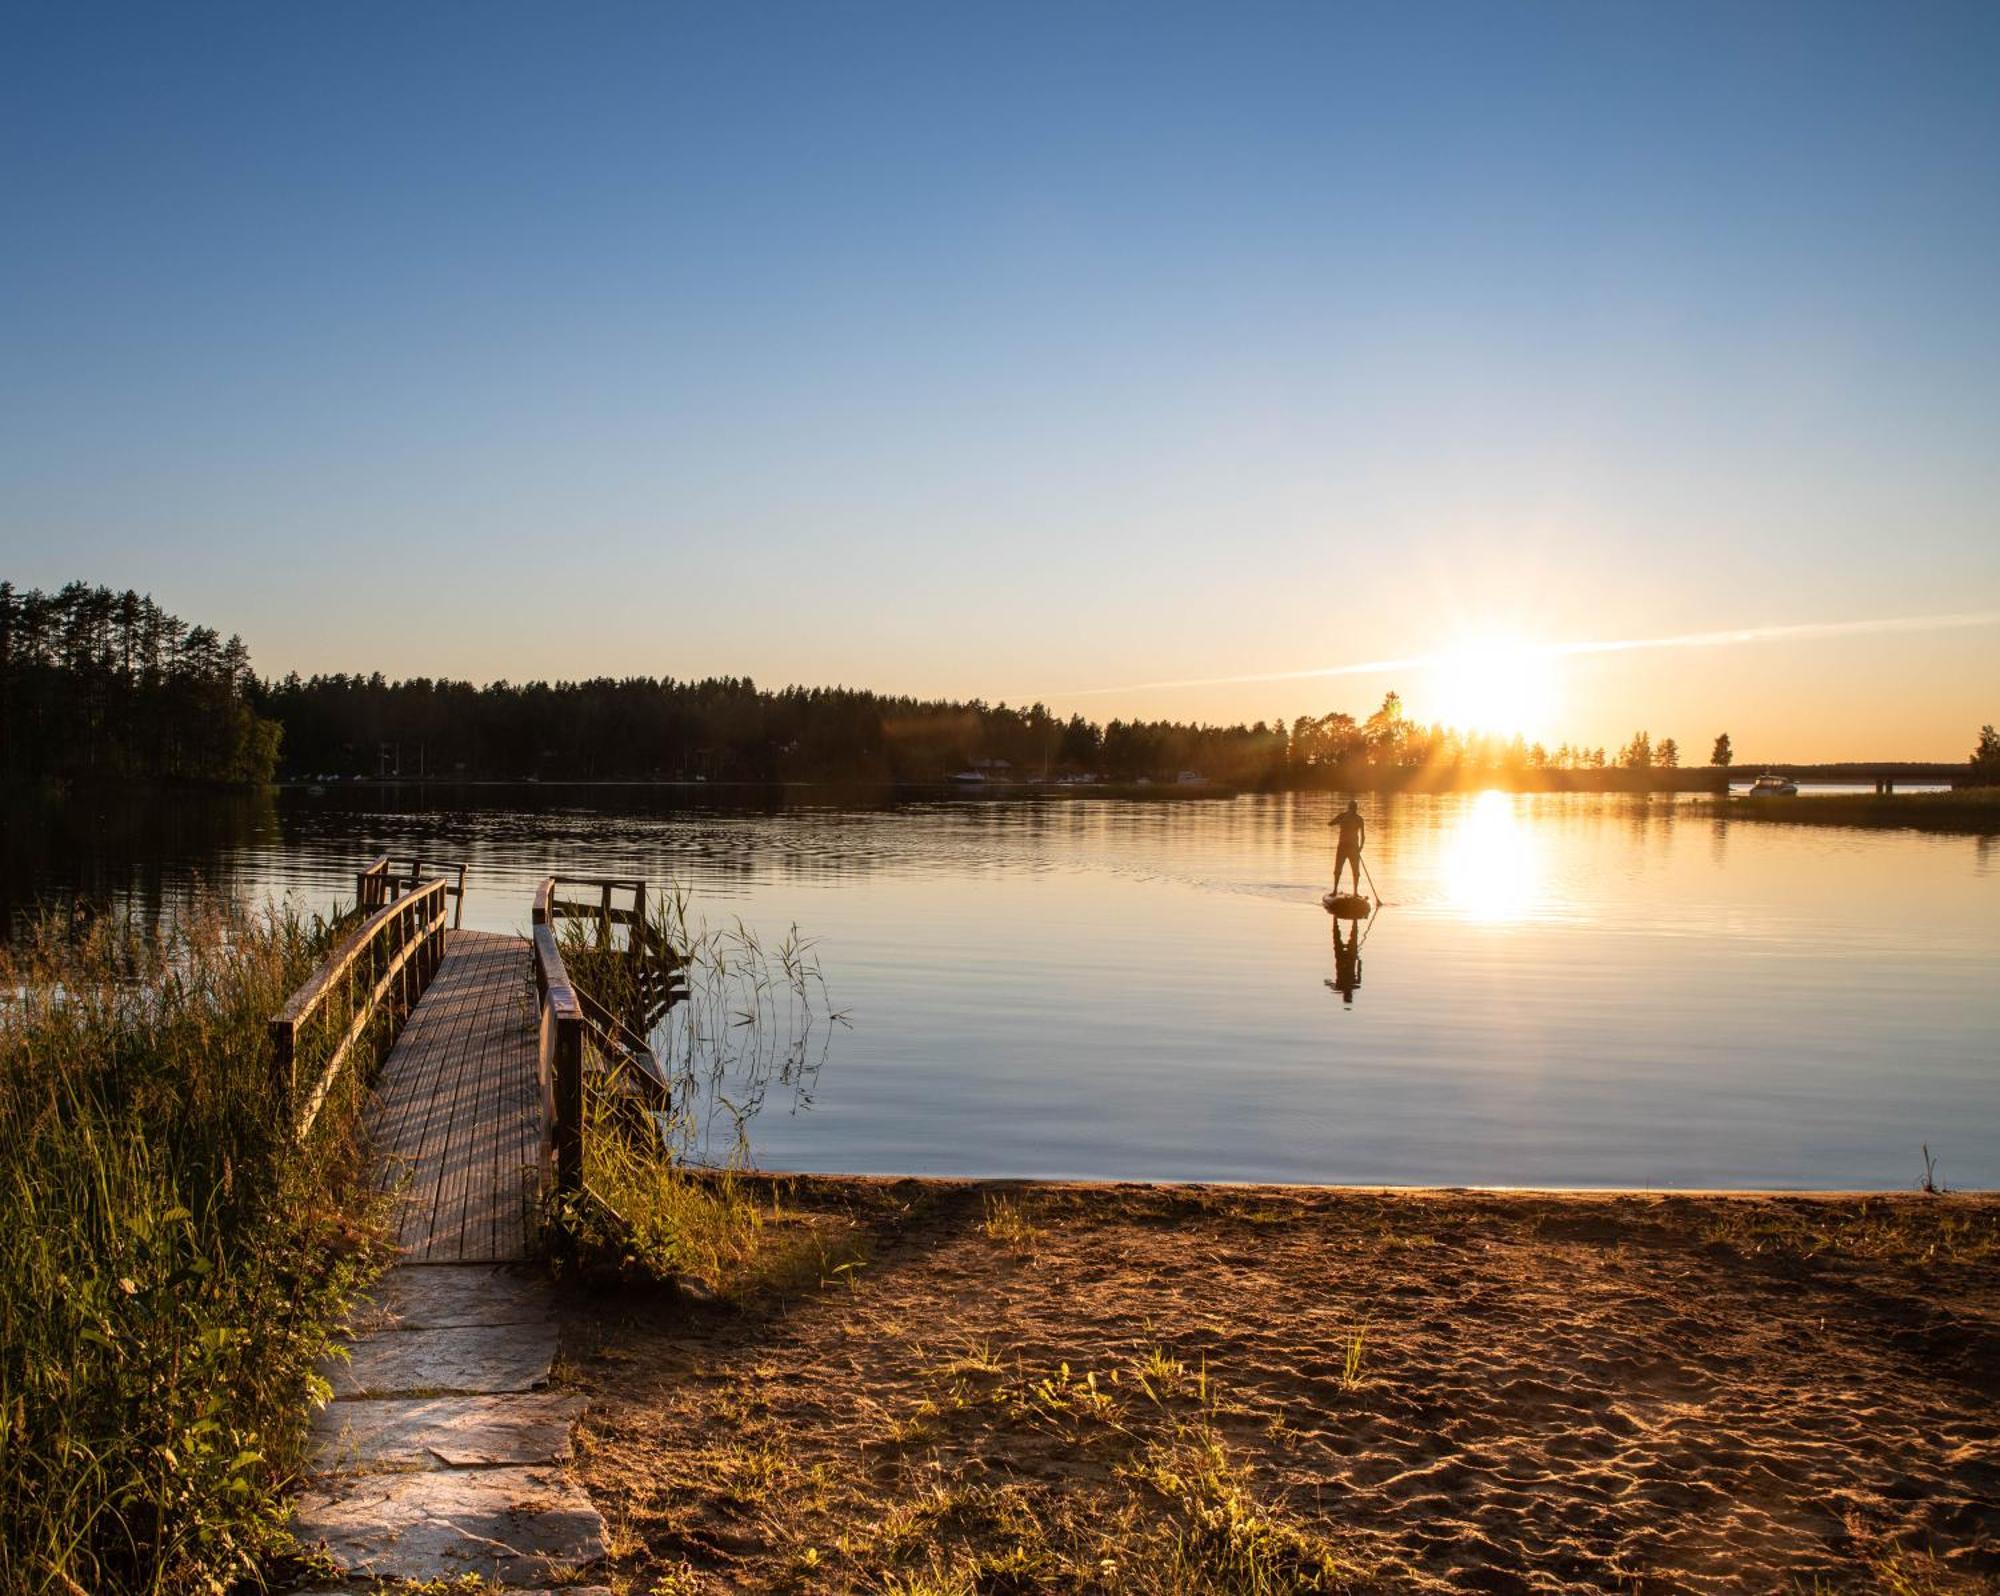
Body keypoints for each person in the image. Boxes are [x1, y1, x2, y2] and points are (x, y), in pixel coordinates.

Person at [1329, 799, 1366, 895]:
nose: (1354, 810)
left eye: (1355, 808)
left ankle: (1355, 892)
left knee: (1356, 872)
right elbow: (1330, 823)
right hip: (1342, 847)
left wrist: (1360, 848)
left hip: (1354, 849)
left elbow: (1363, 836)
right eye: (1352, 808)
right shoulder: (1342, 816)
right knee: (1337, 870)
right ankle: (1335, 890)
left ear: (1356, 809)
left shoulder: (1359, 819)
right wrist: (1340, 819)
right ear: (1349, 808)